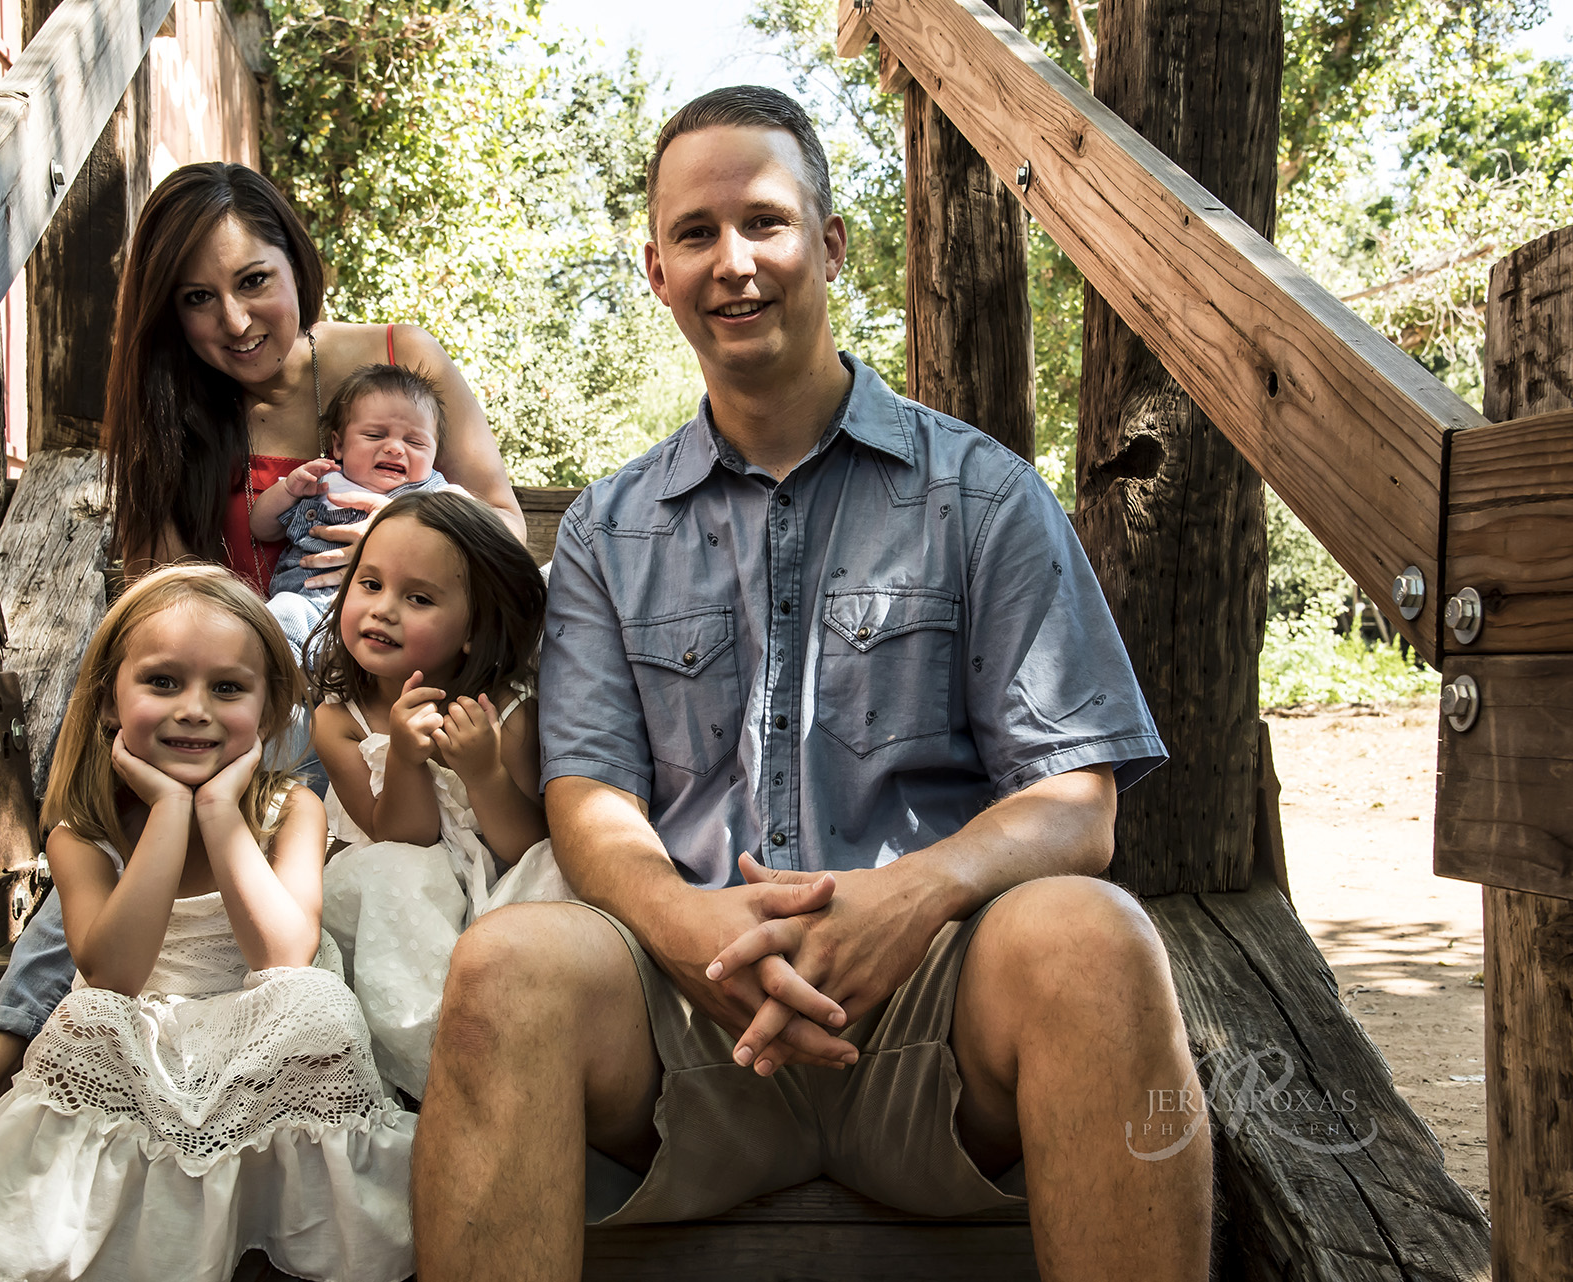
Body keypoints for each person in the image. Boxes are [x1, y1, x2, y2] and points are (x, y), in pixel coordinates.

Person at [412, 86, 1214, 1280]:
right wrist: (686, 926)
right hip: (692, 1018)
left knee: (1095, 938)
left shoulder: (982, 495)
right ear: (656, 271)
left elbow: (1076, 804)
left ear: (830, 245)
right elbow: (586, 795)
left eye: (765, 222)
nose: (732, 261)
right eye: (696, 233)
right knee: (503, 963)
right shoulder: (608, 532)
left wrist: (910, 899)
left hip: (934, 1013)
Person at [0, 160, 524, 1215]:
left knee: (275, 734)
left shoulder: (399, 363)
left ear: (296, 261)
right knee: (161, 764)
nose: (236, 321)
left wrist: (407, 534)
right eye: (198, 299)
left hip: (373, 686)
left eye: (254, 280)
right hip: (245, 693)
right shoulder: (176, 412)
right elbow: (161, 607)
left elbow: (504, 527)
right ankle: (0, 1054)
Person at [0, 565, 415, 1282]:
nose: (194, 709)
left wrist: (220, 812)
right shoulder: (83, 835)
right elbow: (113, 973)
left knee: (319, 1006)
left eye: (227, 688)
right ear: (109, 701)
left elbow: (284, 954)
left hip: (266, 1042)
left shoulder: (291, 809)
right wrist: (169, 810)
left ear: (268, 712)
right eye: (163, 682)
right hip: (147, 1037)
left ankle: (278, 1211)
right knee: (85, 1020)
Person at [308, 491, 573, 1099]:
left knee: (556, 874)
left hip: (497, 888)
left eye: (419, 598)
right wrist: (404, 757)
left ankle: (509, 1042)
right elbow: (402, 836)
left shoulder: (505, 713)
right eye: (370, 584)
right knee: (401, 872)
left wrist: (485, 775)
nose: (383, 609)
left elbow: (526, 845)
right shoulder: (339, 719)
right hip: (391, 899)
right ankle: (435, 1064)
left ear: (473, 630)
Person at [251, 363, 450, 625]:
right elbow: (262, 529)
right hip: (306, 603)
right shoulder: (323, 481)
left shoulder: (436, 494)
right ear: (339, 445)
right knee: (281, 614)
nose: (394, 448)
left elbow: (474, 533)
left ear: (434, 455)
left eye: (414, 442)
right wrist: (288, 490)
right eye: (375, 435)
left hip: (387, 614)